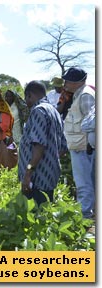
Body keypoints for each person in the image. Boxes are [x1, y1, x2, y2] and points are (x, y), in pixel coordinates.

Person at [19, 81, 68, 206]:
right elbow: (63, 147)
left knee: (36, 217)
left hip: (37, 178)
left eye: (26, 97)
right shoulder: (54, 111)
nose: (26, 101)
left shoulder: (38, 111)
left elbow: (38, 146)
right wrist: (50, 159)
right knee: (46, 213)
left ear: (29, 95)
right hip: (49, 174)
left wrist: (28, 174)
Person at [62, 67, 95, 219]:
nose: (65, 83)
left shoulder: (85, 95)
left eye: (68, 80)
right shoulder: (79, 94)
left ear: (77, 82)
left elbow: (93, 122)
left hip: (84, 148)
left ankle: (85, 216)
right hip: (80, 146)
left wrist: (89, 145)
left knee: (83, 184)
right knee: (87, 182)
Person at [81, 104, 95, 193]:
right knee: (94, 183)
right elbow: (83, 125)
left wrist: (91, 124)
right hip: (94, 150)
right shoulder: (95, 107)